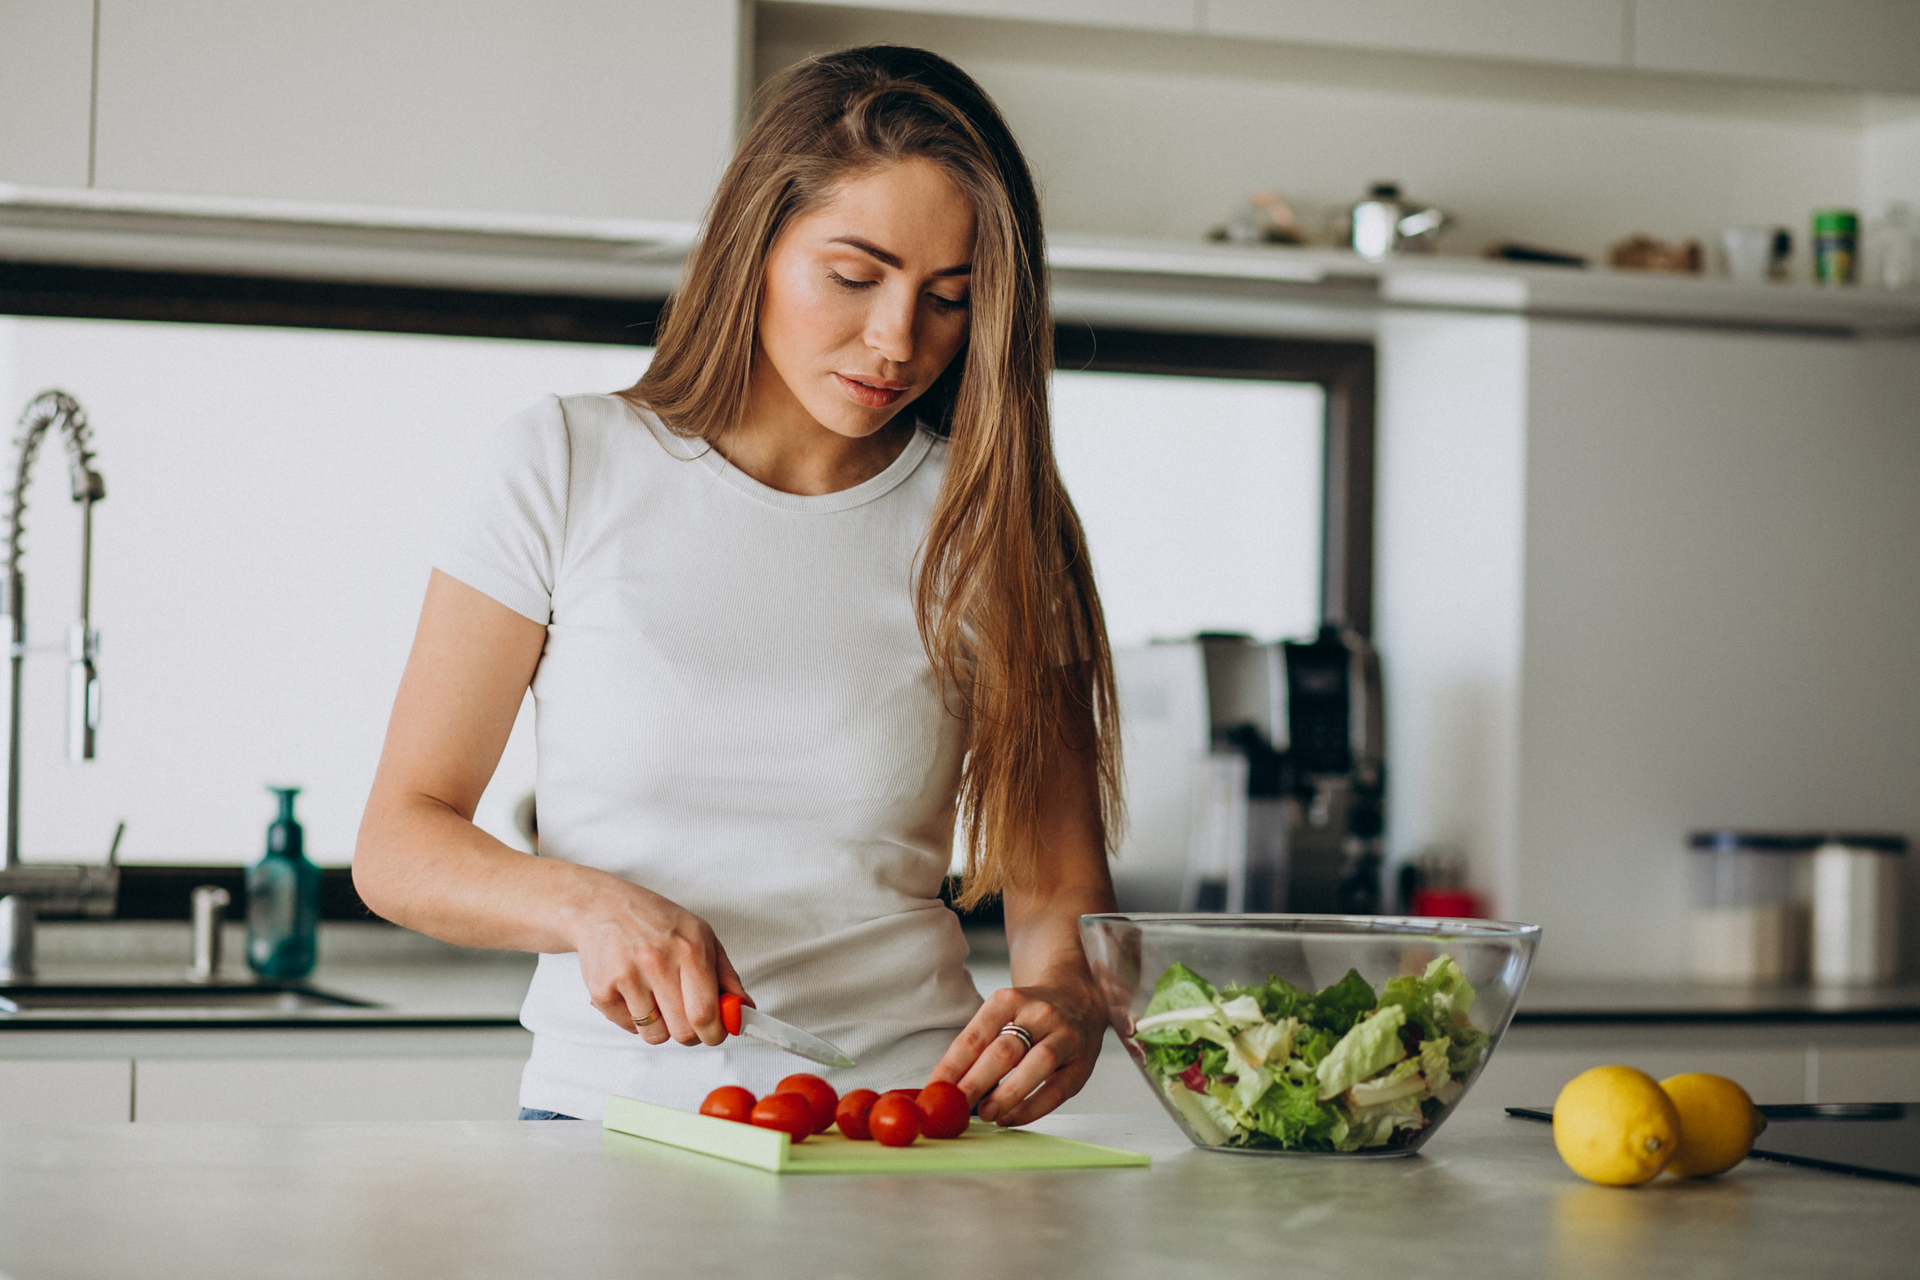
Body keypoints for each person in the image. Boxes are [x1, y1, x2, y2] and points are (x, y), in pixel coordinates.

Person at [353, 45, 1121, 1127]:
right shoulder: (564, 462)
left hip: (894, 1130)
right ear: (754, 245)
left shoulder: (997, 521)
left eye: (950, 299)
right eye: (854, 277)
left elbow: (1059, 900)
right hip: (604, 1123)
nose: (897, 341)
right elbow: (399, 842)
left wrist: (1062, 998)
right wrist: (588, 905)